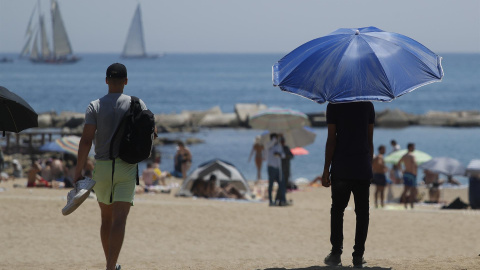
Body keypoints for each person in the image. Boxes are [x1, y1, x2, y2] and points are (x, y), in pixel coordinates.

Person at [74, 63, 155, 270]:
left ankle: (110, 264)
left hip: (101, 167)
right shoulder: (137, 103)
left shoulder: (95, 106)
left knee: (106, 218)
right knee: (120, 220)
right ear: (126, 81)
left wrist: (78, 170)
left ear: (106, 80)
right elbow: (149, 132)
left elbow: (86, 140)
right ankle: (111, 267)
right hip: (126, 167)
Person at [321, 102, 374, 268]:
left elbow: (332, 140)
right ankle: (358, 255)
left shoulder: (334, 106)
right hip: (361, 167)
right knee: (362, 212)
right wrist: (368, 164)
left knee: (337, 210)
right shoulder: (368, 106)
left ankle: (336, 253)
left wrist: (325, 169)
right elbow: (369, 139)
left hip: (341, 167)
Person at [266, 133, 286, 206]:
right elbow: (270, 145)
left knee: (282, 184)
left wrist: (279, 154)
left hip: (278, 168)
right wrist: (275, 138)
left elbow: (283, 155)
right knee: (271, 185)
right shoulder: (269, 145)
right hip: (271, 167)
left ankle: (282, 200)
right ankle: (271, 201)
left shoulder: (279, 146)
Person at [397, 143, 418, 209]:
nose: (414, 148)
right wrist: (415, 173)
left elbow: (398, 163)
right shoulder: (412, 156)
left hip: (406, 173)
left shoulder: (404, 156)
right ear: (410, 147)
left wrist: (402, 170)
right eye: (413, 147)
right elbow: (415, 165)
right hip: (411, 174)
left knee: (405, 190)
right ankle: (411, 205)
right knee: (412, 190)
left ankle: (405, 204)